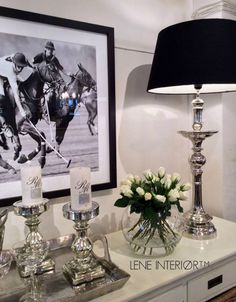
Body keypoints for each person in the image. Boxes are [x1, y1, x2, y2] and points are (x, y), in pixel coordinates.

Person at [0, 53, 29, 150]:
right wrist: (21, 111)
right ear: (14, 63)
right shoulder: (11, 71)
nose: (20, 69)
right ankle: (5, 127)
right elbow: (16, 95)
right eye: (19, 67)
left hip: (2, 69)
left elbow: (24, 61)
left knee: (22, 81)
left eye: (22, 67)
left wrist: (31, 68)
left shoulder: (14, 57)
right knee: (2, 97)